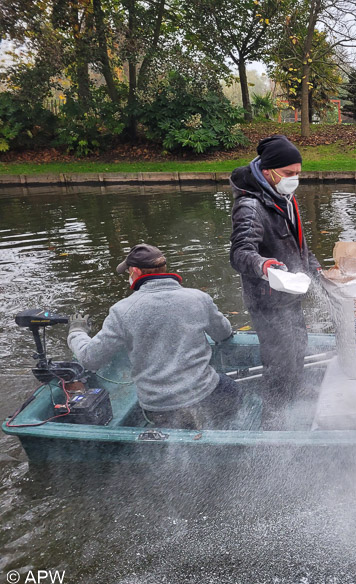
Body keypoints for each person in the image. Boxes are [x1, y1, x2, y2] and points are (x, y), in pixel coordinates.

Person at [67, 243, 241, 430]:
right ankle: (223, 430)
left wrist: (76, 332)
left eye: (128, 273)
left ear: (135, 271)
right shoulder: (198, 298)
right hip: (203, 394)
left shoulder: (122, 311)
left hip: (160, 407)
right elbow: (224, 333)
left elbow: (90, 359)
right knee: (232, 390)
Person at [229, 136, 321, 419]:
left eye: (298, 173)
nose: (294, 179)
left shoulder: (284, 198)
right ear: (269, 171)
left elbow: (298, 245)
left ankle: (297, 387)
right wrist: (265, 265)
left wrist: (315, 269)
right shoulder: (251, 207)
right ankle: (275, 413)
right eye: (289, 174)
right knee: (278, 359)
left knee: (298, 345)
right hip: (267, 300)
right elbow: (240, 253)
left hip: (290, 292)